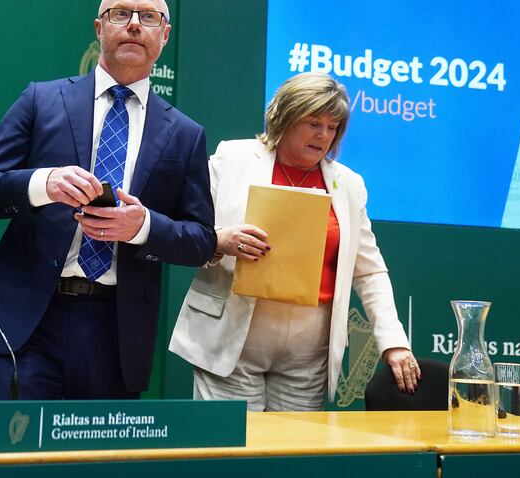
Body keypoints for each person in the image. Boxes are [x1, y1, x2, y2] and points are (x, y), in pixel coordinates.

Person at [0, 0, 216, 400]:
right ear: (100, 29)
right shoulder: (41, 100)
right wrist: (44, 183)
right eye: (121, 14)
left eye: (148, 16)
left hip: (116, 330)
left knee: (98, 465)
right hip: (30, 320)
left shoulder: (185, 134)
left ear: (164, 35)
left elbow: (202, 240)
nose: (134, 24)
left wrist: (142, 227)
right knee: (17, 460)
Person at [169, 72, 420, 411]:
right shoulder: (233, 158)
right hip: (231, 338)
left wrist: (393, 342)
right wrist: (220, 241)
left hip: (308, 353)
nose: (324, 135)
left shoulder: (349, 185)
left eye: (333, 127)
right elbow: (186, 232)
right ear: (285, 117)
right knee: (232, 457)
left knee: (292, 457)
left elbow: (370, 272)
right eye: (314, 122)